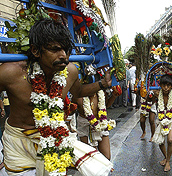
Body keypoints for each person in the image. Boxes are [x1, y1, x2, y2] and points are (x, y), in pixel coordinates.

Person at [0, 18, 113, 175]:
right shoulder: (10, 73)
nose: (63, 56)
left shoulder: (70, 71)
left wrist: (102, 84)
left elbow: (79, 92)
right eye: (55, 49)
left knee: (97, 168)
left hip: (54, 138)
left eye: (66, 50)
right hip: (18, 143)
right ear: (35, 50)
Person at [73, 72, 118, 160]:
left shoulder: (101, 93)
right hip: (85, 126)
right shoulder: (78, 96)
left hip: (101, 124)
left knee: (107, 157)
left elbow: (107, 105)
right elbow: (70, 111)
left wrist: (114, 96)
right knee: (90, 158)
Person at [146, 74, 172, 172]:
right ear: (160, 85)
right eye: (164, 85)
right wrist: (149, 96)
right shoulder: (156, 93)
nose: (166, 88)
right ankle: (166, 157)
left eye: (168, 85)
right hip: (160, 117)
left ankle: (167, 161)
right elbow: (148, 100)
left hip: (171, 116)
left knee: (170, 140)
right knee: (160, 141)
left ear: (171, 86)